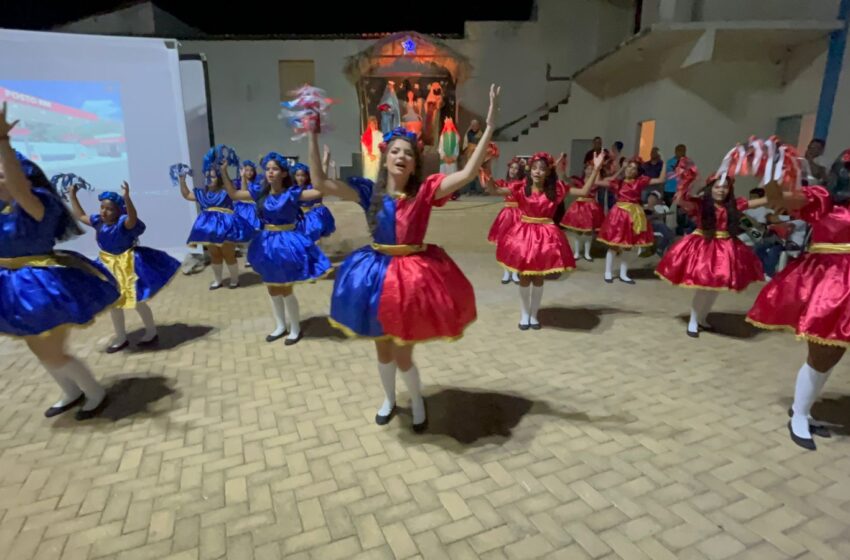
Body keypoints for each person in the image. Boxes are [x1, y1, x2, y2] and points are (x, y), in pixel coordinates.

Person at [307, 85, 501, 432]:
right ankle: (389, 399)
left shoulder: (426, 192)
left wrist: (488, 127)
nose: (400, 156)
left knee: (403, 352)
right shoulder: (369, 192)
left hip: (411, 277)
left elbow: (468, 174)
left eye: (407, 153)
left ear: (414, 163)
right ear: (385, 157)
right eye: (394, 151)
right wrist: (311, 132)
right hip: (376, 274)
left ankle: (418, 402)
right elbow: (320, 182)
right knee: (382, 350)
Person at [0, 103, 118, 420]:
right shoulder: (4, 209)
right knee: (36, 346)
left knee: (49, 349)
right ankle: (71, 391)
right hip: (12, 284)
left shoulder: (37, 205)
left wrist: (3, 143)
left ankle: (94, 391)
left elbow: (18, 187)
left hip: (38, 284)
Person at [747, 184, 850, 451]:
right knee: (822, 351)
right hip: (830, 283)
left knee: (834, 353)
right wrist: (775, 172)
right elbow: (780, 198)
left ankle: (803, 409)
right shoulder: (825, 201)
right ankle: (800, 415)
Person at [222, 152, 331, 345]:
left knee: (286, 287)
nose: (270, 172)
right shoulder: (260, 192)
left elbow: (319, 191)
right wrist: (224, 171)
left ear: (282, 173)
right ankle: (280, 325)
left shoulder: (292, 194)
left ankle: (295, 328)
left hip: (287, 243)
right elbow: (234, 194)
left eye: (274, 169)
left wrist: (322, 164)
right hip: (266, 243)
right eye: (268, 169)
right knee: (272, 287)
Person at [490, 151, 606, 329]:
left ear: (547, 172)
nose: (537, 171)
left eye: (542, 169)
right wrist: (484, 167)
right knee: (524, 276)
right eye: (534, 168)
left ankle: (534, 315)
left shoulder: (557, 189)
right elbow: (493, 190)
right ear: (529, 170)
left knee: (538, 277)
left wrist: (597, 169)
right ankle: (524, 314)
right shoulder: (520, 187)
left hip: (546, 237)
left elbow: (583, 191)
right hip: (524, 236)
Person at [67, 180, 179, 353]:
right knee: (114, 303)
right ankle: (121, 337)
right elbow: (80, 216)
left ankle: (151, 331)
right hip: (107, 264)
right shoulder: (98, 222)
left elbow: (133, 218)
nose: (104, 211)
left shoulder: (123, 224)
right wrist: (72, 196)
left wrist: (127, 198)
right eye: (102, 207)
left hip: (127, 264)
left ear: (118, 211)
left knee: (136, 300)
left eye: (109, 208)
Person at [656, 171, 766, 337]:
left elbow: (763, 200)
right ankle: (693, 320)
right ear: (710, 188)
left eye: (725, 187)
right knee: (703, 288)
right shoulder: (701, 204)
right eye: (717, 187)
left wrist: (775, 185)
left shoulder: (735, 204)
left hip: (726, 248)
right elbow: (681, 200)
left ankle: (702, 318)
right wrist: (687, 182)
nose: (721, 190)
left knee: (715, 288)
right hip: (704, 246)